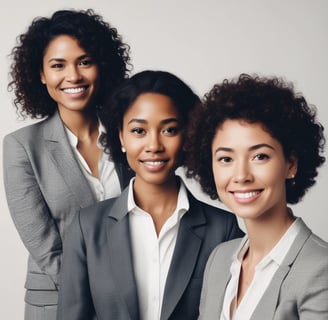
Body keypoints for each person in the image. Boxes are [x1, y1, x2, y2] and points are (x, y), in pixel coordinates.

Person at [56, 70, 244, 320]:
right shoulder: (87, 227)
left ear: (188, 136)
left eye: (169, 130)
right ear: (121, 137)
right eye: (138, 131)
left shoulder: (224, 229)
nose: (154, 145)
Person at [3, 9, 133, 320]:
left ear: (100, 66)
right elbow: (46, 248)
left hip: (135, 297)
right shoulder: (21, 146)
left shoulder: (128, 136)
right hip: (58, 301)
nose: (73, 76)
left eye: (84, 61)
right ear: (41, 74)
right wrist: (105, 300)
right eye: (58, 65)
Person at [186, 73, 328, 319]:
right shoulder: (219, 260)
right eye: (226, 159)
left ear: (291, 164)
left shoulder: (320, 269)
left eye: (260, 156)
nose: (241, 175)